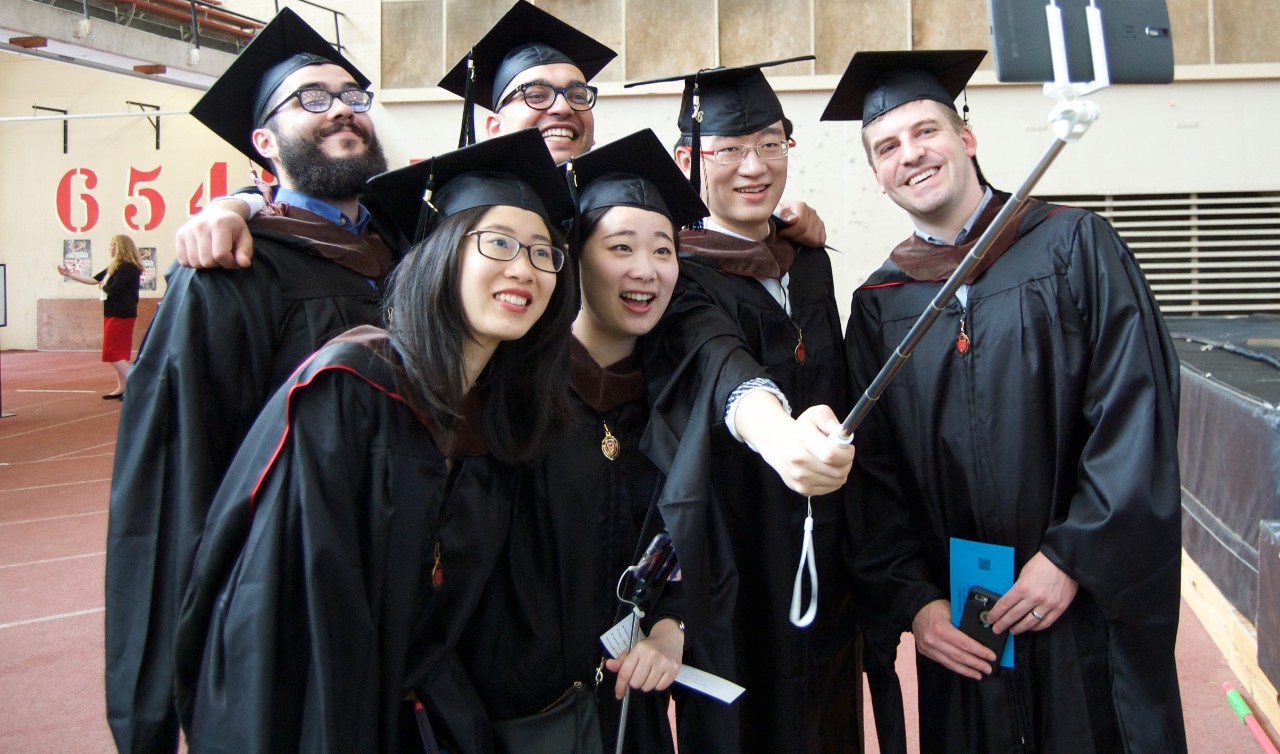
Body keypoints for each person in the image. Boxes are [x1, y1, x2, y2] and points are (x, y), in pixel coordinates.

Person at [418, 129, 854, 753]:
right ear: (574, 256)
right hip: (511, 716)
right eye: (620, 247)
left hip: (625, 708)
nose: (645, 270)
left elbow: (679, 533)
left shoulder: (663, 394)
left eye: (663, 251)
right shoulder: (510, 397)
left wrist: (670, 623)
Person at [823, 50, 1187, 753]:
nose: (912, 155)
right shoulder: (880, 306)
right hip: (969, 629)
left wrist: (1074, 555)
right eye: (888, 147)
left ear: (966, 137)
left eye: (925, 131)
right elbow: (874, 479)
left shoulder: (1074, 246)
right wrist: (917, 603)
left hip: (1079, 610)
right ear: (876, 175)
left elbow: (1136, 409)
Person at [174, 127, 578, 753]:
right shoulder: (352, 389)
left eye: (543, 251)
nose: (524, 268)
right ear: (440, 253)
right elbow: (286, 618)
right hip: (319, 716)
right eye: (498, 242)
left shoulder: (499, 419)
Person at [104, 8, 394, 754]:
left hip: (400, 584)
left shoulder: (404, 257)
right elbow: (168, 480)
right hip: (282, 596)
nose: (341, 112)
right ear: (263, 143)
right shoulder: (228, 275)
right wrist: (148, 711)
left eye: (352, 97)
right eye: (311, 98)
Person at [173, 0, 826, 269]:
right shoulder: (434, 214)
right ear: (491, 123)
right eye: (533, 94)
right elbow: (330, 207)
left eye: (576, 94)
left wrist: (778, 225)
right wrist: (239, 203)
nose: (560, 108)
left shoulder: (620, 210)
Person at [629, 60, 861, 753]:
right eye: (728, 149)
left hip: (824, 543)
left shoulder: (808, 261)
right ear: (686, 160)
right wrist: (779, 431)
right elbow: (715, 359)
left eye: (769, 143)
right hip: (736, 556)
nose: (753, 166)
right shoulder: (678, 273)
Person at [56, 233, 143, 399]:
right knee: (119, 353)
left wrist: (104, 286)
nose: (109, 248)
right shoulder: (115, 266)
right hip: (112, 311)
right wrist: (70, 274)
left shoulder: (127, 267)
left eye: (112, 245)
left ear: (120, 248)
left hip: (122, 313)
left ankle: (137, 384)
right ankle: (122, 388)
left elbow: (113, 289)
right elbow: (94, 280)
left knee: (112, 353)